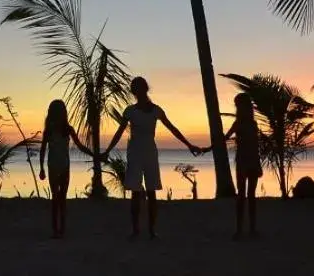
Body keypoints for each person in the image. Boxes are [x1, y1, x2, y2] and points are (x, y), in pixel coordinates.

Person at [101, 76, 205, 239]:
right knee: (135, 193)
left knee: (152, 192)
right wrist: (107, 151)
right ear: (134, 92)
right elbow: (119, 133)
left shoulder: (156, 110)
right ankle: (136, 230)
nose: (138, 92)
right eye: (135, 89)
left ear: (145, 89)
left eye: (140, 88)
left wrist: (189, 145)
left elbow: (172, 129)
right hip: (135, 153)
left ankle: (151, 230)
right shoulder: (130, 111)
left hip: (150, 152)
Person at [37, 99, 93, 238]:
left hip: (62, 166)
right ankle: (57, 229)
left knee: (60, 198)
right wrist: (42, 169)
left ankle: (60, 229)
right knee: (58, 198)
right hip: (56, 166)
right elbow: (43, 149)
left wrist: (94, 155)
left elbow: (79, 145)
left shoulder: (67, 129)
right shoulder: (50, 130)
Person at [223, 92, 262, 239]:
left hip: (251, 160)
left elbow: (255, 145)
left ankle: (251, 229)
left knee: (250, 196)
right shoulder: (239, 124)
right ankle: (240, 229)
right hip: (243, 161)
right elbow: (226, 138)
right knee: (242, 195)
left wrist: (257, 163)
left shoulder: (251, 124)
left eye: (239, 105)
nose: (238, 108)